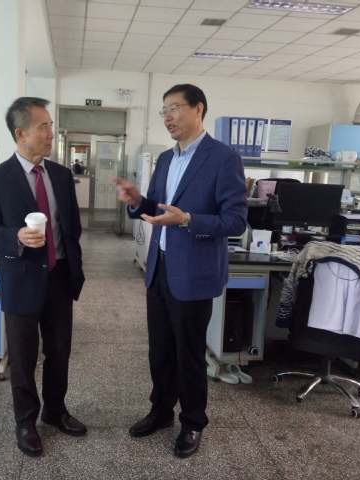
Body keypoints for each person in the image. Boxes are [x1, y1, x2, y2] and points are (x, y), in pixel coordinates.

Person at [114, 84, 247, 458]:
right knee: (160, 351)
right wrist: (137, 201)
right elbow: (158, 207)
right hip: (159, 269)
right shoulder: (165, 159)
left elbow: (236, 221)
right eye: (164, 111)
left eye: (174, 108)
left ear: (198, 109)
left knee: (189, 354)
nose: (167, 117)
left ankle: (192, 422)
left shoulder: (223, 158)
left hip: (194, 274)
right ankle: (161, 412)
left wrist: (187, 219)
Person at [0, 97, 86, 457]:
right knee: (23, 357)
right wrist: (16, 237)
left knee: (59, 351)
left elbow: (72, 226)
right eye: (44, 127)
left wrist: (73, 264)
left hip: (59, 276)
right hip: (20, 279)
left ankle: (55, 410)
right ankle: (25, 421)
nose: (51, 134)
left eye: (51, 126)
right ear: (21, 133)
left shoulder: (62, 176)